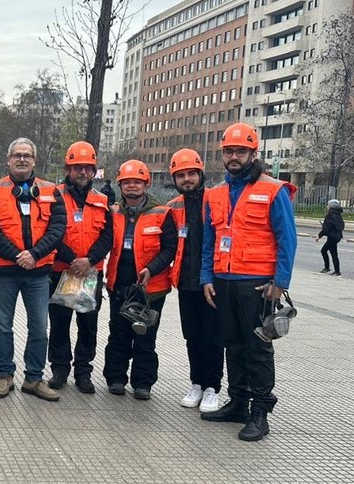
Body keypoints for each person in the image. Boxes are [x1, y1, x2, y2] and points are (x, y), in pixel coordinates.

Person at [201, 122, 297, 442]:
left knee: (258, 349)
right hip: (224, 281)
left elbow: (288, 239)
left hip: (258, 285)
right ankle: (239, 403)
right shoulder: (214, 194)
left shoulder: (273, 189)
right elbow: (208, 240)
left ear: (252, 153)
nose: (234, 156)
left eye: (240, 151)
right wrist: (206, 277)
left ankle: (260, 412)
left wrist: (280, 281)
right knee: (233, 345)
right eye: (229, 151)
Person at [0, 138, 67, 401]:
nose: (21, 159)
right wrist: (19, 256)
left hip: (39, 273)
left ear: (34, 160)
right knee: (3, 325)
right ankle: (5, 375)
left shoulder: (51, 191)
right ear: (8, 160)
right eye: (17, 155)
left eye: (26, 156)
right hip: (5, 272)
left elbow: (57, 228)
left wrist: (35, 254)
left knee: (39, 327)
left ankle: (34, 378)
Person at [103, 159, 177, 401]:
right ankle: (116, 378)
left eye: (137, 181)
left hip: (151, 288)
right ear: (120, 185)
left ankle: (143, 383)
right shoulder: (113, 213)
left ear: (146, 184)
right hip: (120, 283)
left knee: (145, 336)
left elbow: (169, 248)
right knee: (118, 333)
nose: (132, 186)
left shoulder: (162, 214)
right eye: (127, 182)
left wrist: (151, 269)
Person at [47, 141, 112, 395]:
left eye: (87, 168)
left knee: (88, 324)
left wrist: (89, 260)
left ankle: (83, 372)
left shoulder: (103, 199)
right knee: (60, 323)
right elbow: (50, 232)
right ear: (67, 169)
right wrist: (72, 259)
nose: (82, 172)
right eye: (77, 168)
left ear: (94, 171)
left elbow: (108, 236)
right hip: (62, 270)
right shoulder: (54, 196)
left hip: (91, 274)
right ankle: (60, 369)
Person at [166, 149, 223, 412]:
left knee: (213, 336)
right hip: (186, 281)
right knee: (192, 336)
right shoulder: (174, 206)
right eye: (181, 175)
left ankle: (213, 387)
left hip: (212, 282)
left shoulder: (216, 199)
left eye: (191, 174)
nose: (187, 179)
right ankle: (197, 383)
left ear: (200, 173)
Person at [317, 199, 344, 276]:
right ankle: (336, 270)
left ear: (331, 206)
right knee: (333, 253)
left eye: (328, 205)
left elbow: (326, 229)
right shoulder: (338, 215)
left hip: (332, 237)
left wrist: (319, 236)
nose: (327, 206)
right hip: (337, 237)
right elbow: (339, 226)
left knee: (324, 251)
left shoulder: (329, 215)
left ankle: (329, 268)